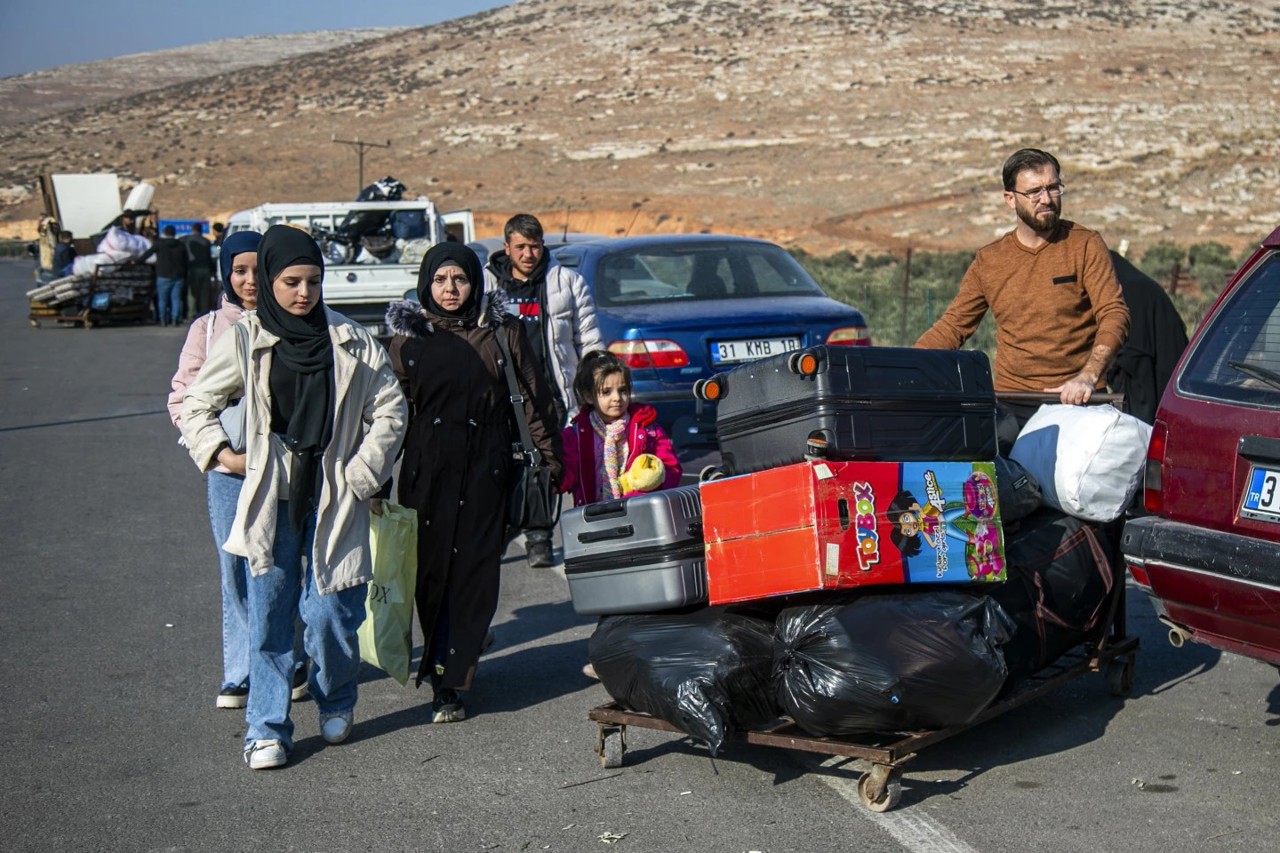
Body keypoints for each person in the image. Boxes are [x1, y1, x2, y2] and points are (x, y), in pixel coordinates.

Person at [181, 224, 406, 770]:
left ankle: (337, 699)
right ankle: (266, 728)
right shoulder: (245, 338)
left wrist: (359, 474)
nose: (303, 293)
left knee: (331, 612)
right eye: (290, 282)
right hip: (270, 498)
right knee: (271, 615)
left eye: (312, 281)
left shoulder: (351, 339)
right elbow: (195, 404)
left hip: (334, 494)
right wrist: (225, 457)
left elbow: (392, 408)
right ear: (268, 281)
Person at [384, 242, 562, 723]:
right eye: (440, 280)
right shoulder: (406, 342)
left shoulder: (501, 333)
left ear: (474, 282)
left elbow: (533, 398)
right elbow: (388, 417)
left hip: (488, 470)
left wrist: (549, 459)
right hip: (427, 475)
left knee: (475, 575)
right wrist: (375, 476)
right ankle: (443, 661)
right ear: (426, 284)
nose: (450, 289)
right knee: (432, 574)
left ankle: (452, 681)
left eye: (459, 279)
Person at [168, 229, 310, 708]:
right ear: (225, 273)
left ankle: (289, 659)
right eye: (240, 270)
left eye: (259, 270)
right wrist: (220, 453)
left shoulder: (295, 321)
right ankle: (241, 671)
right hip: (230, 473)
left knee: (281, 566)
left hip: (287, 469)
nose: (250, 281)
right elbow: (183, 400)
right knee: (235, 568)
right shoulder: (208, 330)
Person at [914, 148, 1130, 425]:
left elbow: (1114, 313)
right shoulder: (990, 259)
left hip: (1077, 400)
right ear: (1010, 199)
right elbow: (953, 327)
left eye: (1053, 188)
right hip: (1010, 403)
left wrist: (1088, 376)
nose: (1046, 199)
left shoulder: (1085, 244)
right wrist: (907, 368)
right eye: (1034, 192)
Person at [484, 213, 603, 567]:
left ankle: (539, 538)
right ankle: (498, 535)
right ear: (506, 248)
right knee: (500, 469)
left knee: (544, 467)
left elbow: (589, 339)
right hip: (500, 394)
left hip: (549, 392)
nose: (528, 254)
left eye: (534, 246)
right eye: (520, 246)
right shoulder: (488, 286)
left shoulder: (566, 283)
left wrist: (594, 384)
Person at [559, 350, 682, 680]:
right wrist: (551, 472)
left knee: (642, 593)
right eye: (606, 391)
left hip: (637, 525)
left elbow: (671, 469)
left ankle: (645, 656)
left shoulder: (646, 429)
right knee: (609, 599)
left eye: (622, 390)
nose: (617, 398)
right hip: (596, 527)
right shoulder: (576, 435)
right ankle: (610, 658)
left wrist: (652, 478)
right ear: (587, 395)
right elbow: (566, 476)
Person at [1106, 251, 1189, 424]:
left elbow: (1133, 356)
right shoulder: (1131, 283)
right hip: (1169, 380)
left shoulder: (1128, 291)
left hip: (1150, 376)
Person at [151, 225, 189, 326]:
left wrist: (136, 262)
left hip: (163, 275)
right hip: (178, 276)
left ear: (165, 233)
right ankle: (175, 319)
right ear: (174, 233)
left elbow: (147, 253)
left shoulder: (159, 244)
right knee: (175, 299)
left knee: (162, 299)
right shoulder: (181, 245)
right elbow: (186, 260)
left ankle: (163, 319)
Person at [183, 222, 216, 320]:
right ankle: (204, 314)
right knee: (204, 293)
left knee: (192, 293)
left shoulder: (187, 240)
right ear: (201, 230)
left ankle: (191, 314)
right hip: (206, 269)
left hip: (193, 269)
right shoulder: (206, 241)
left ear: (193, 229)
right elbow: (209, 257)